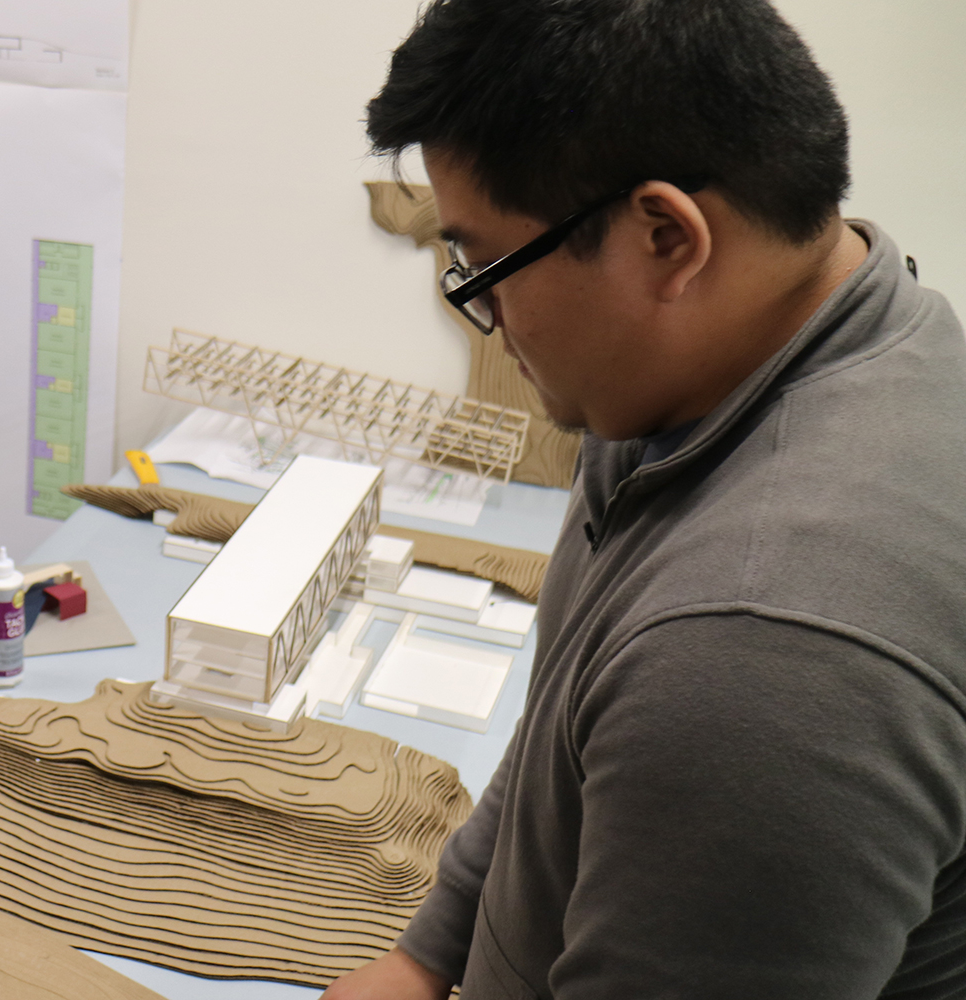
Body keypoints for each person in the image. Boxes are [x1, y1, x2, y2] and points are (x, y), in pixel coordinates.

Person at [321, 1, 966, 997]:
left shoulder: (762, 653)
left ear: (664, 235)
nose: (487, 319)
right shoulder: (698, 379)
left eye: (486, 268)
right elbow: (560, 734)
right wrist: (427, 953)